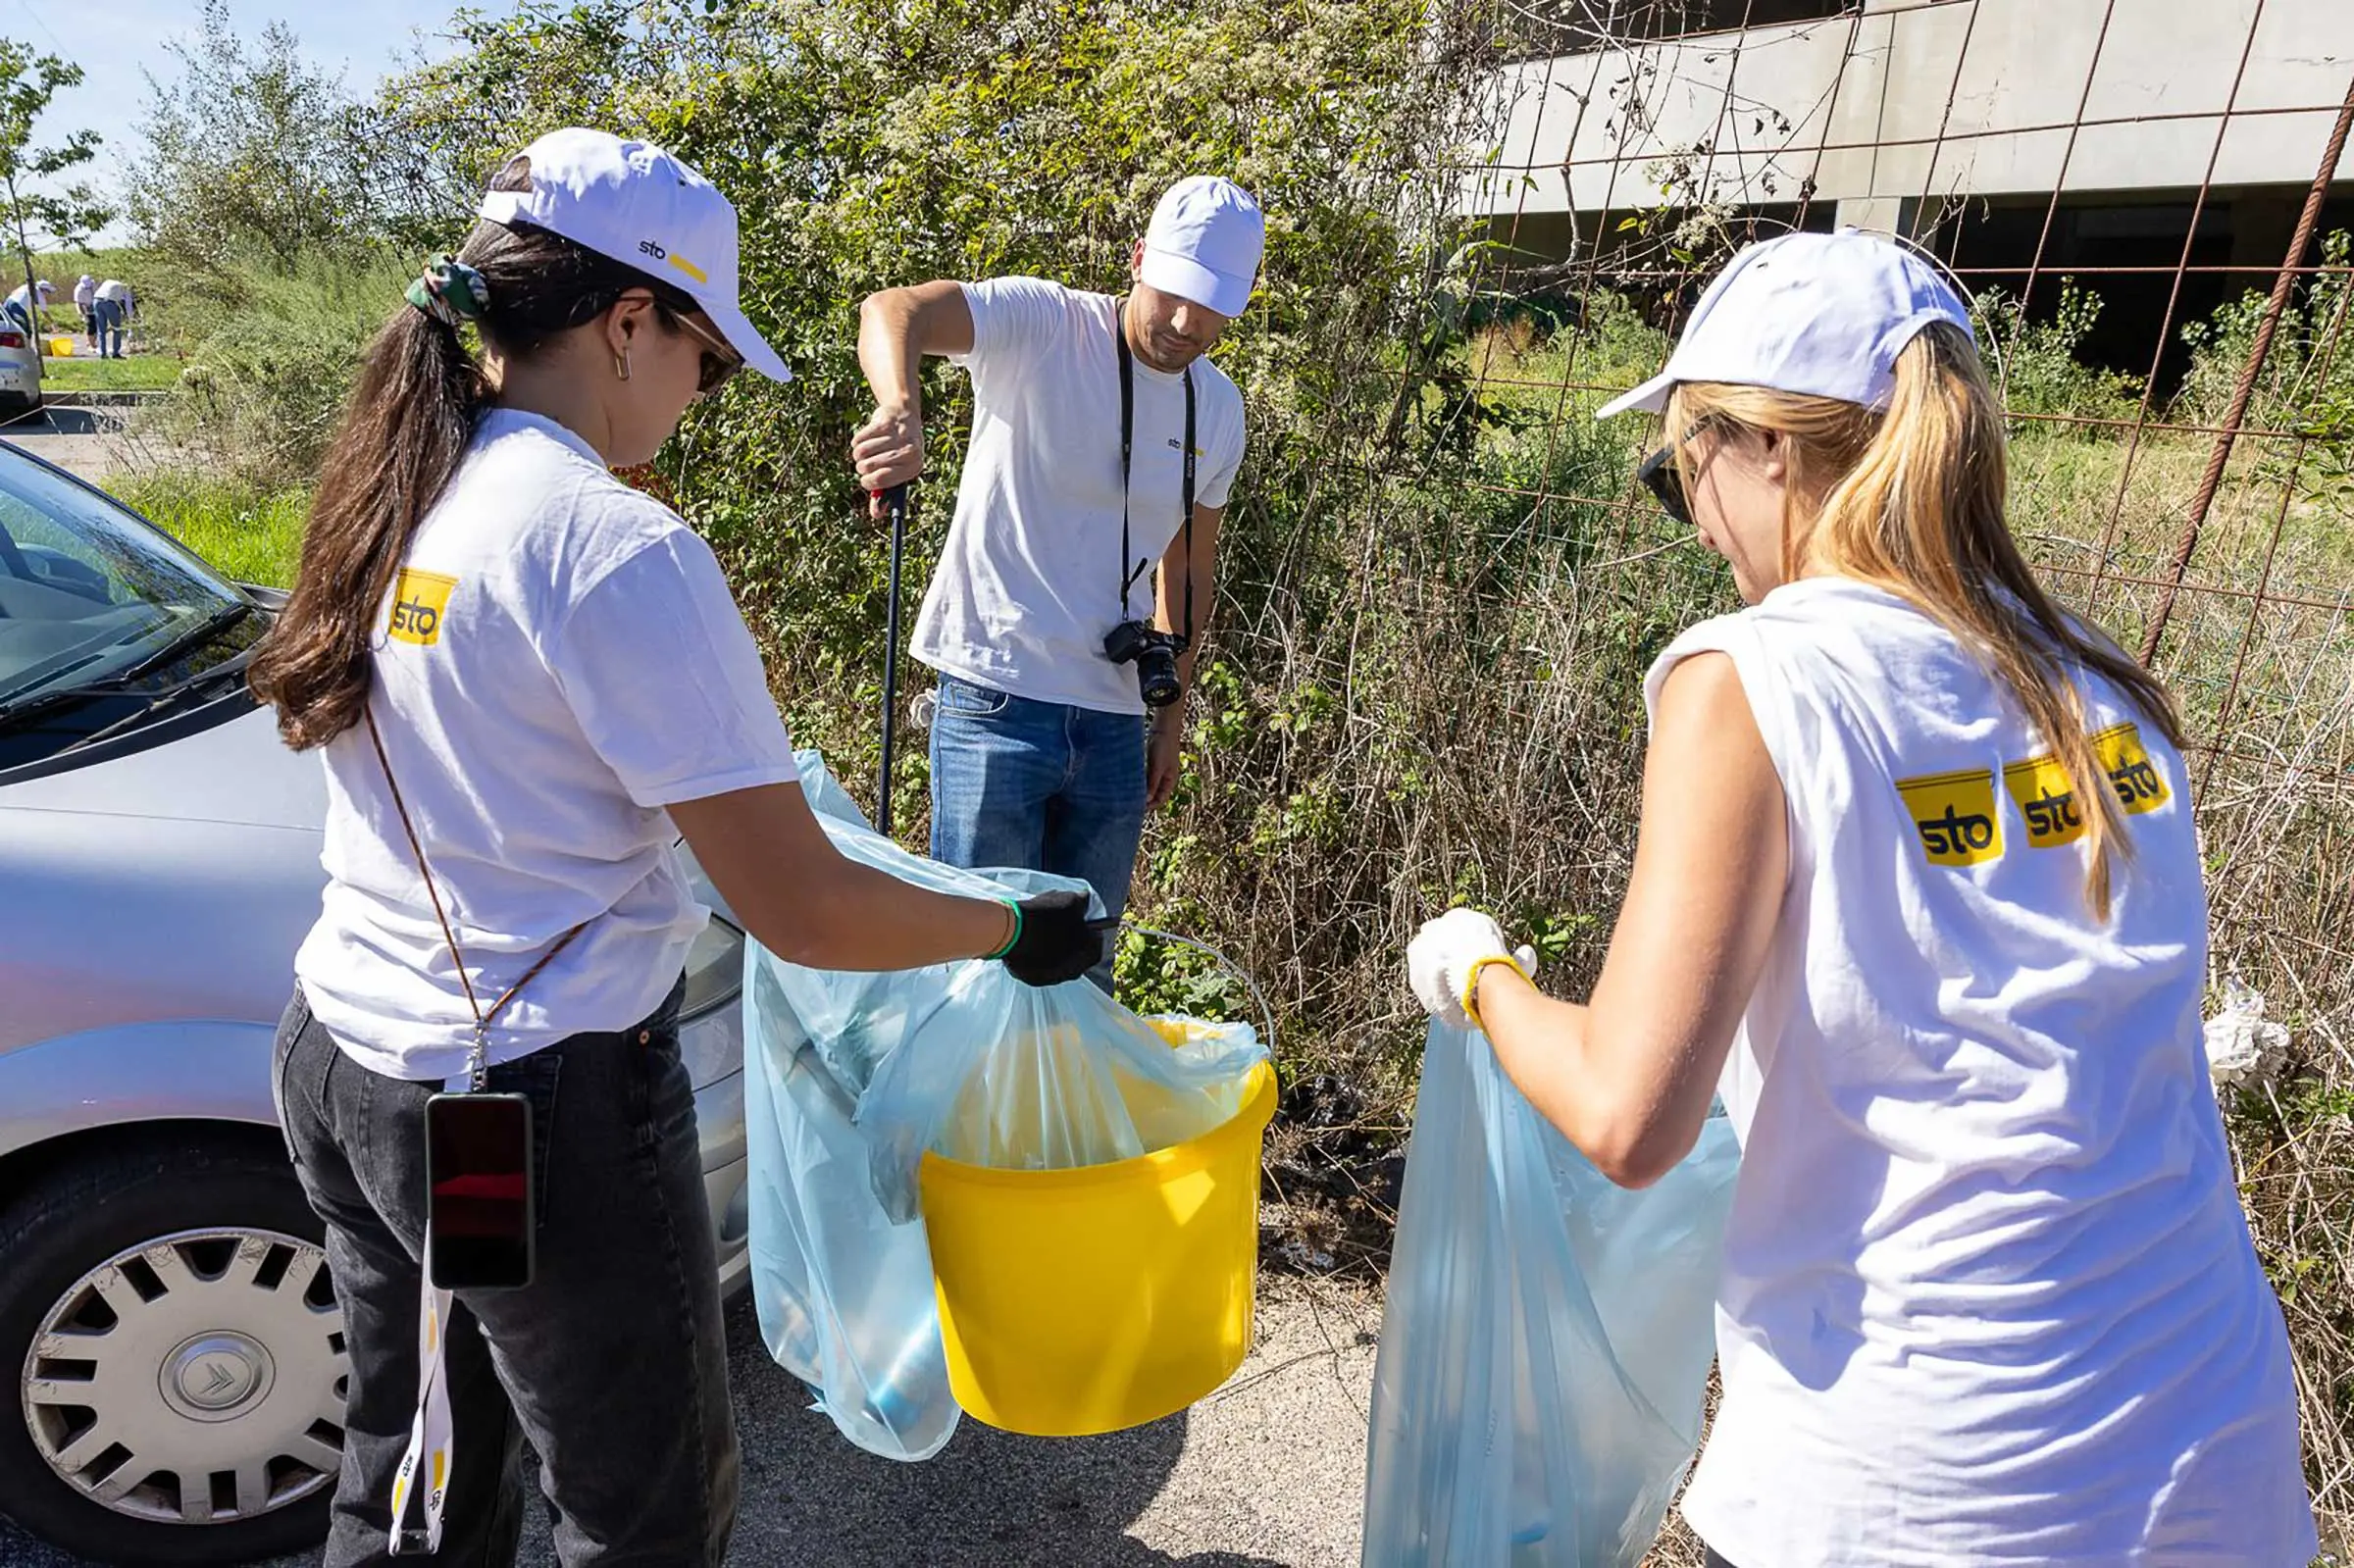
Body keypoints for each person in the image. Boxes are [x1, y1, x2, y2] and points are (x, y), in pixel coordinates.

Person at [248, 126, 1101, 1567]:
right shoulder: (608, 543)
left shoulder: (402, 485)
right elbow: (805, 909)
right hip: (531, 1095)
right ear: (628, 320)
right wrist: (1011, 926)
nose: (704, 397)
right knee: (636, 1516)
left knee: (413, 1474)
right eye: (708, 360)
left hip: (347, 1058)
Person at [1407, 230, 2317, 1566]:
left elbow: (1625, 1111)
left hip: (1920, 1477)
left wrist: (1480, 974)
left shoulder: (1758, 679)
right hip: (2213, 1451)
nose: (1695, 517)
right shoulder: (2108, 684)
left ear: (1764, 449)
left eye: (1679, 473)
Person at [851, 176, 1263, 987]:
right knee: (976, 968)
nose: (1186, 323)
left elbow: (1188, 568)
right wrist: (900, 405)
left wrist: (1169, 719)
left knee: (1084, 971)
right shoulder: (1043, 323)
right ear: (1139, 258)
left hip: (1112, 720)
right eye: (1174, 292)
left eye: (1213, 304)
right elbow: (893, 309)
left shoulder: (1217, 410)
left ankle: (1058, 1116)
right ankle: (964, 1118)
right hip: (993, 696)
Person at [92, 278, 132, 357]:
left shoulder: (108, 281)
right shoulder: (125, 287)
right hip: (109, 302)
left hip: (96, 301)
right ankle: (115, 353)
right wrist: (130, 317)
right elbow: (128, 304)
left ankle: (103, 353)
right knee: (116, 328)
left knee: (101, 330)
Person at [72, 274, 95, 346]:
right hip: (84, 305)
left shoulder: (93, 284)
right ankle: (92, 344)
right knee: (90, 324)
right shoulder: (78, 290)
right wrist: (83, 316)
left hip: (93, 303)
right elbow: (79, 304)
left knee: (96, 324)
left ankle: (91, 341)